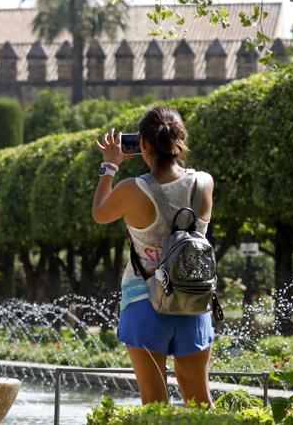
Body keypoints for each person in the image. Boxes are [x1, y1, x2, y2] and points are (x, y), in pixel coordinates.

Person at [92, 105, 215, 406]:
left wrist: (109, 165)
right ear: (180, 138)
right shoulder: (204, 182)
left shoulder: (132, 190)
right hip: (193, 300)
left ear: (144, 144)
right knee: (200, 401)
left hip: (143, 300)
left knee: (154, 404)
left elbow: (99, 213)